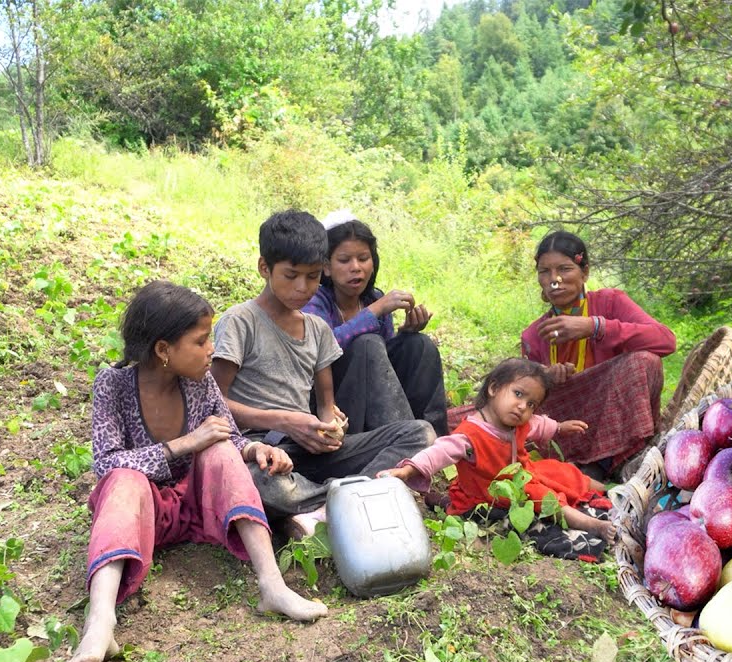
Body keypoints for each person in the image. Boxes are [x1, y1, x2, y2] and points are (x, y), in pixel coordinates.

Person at [61, 281, 327, 662]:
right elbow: (106, 464)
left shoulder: (200, 383)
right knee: (122, 479)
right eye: (201, 341)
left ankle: (272, 586)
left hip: (198, 509)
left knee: (220, 449)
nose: (211, 351)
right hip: (143, 515)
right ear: (164, 350)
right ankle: (100, 623)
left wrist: (257, 450)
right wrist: (183, 444)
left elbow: (229, 437)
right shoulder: (112, 385)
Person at [209, 210, 436, 527]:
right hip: (261, 449)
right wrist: (287, 421)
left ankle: (320, 508)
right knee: (261, 484)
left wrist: (330, 428)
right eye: (291, 276)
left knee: (420, 434)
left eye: (313, 277)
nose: (303, 287)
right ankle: (354, 497)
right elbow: (214, 405)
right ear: (264, 268)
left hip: (308, 450)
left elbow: (326, 406)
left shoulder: (317, 329)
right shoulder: (239, 321)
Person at [384, 358, 615, 547]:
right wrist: (409, 469)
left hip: (522, 475)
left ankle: (613, 492)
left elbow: (538, 425)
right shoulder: (470, 435)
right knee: (546, 498)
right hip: (489, 491)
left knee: (562, 471)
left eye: (532, 403)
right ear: (494, 388)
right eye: (518, 394)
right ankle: (591, 524)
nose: (524, 406)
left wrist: (560, 427)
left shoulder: (519, 423)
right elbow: (439, 452)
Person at [519, 231, 676, 476]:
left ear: (585, 272)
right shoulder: (533, 335)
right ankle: (579, 466)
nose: (554, 279)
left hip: (616, 421)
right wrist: (545, 378)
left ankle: (617, 459)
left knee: (645, 361)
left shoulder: (611, 303)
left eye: (564, 268)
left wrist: (595, 327)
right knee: (490, 405)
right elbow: (529, 401)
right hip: (567, 428)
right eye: (544, 272)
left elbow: (666, 341)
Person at [303, 211, 449, 436]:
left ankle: (436, 440)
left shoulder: (372, 297)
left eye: (363, 258)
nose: (356, 267)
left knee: (419, 345)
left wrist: (405, 334)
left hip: (378, 398)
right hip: (332, 401)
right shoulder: (316, 301)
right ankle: (406, 439)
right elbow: (321, 348)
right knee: (368, 343)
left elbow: (384, 365)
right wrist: (375, 311)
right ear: (327, 267)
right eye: (344, 260)